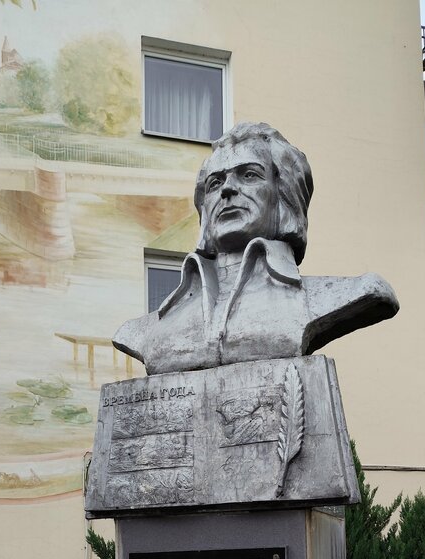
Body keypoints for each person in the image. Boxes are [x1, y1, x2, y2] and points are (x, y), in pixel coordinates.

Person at [113, 122, 399, 375]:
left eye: (249, 175)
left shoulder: (336, 297)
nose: (227, 190)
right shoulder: (144, 332)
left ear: (283, 194)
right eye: (215, 183)